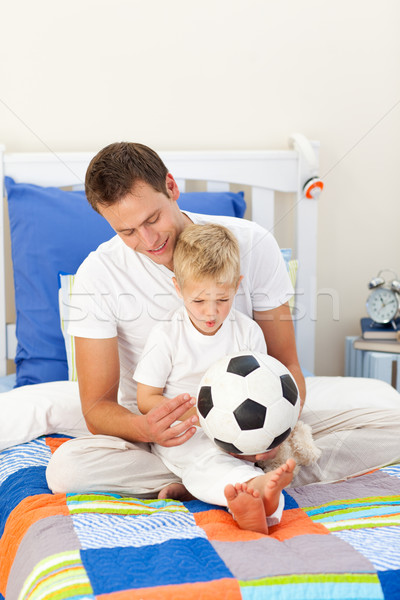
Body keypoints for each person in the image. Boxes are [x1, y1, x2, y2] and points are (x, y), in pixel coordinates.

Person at [45, 141, 400, 497]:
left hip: (253, 422)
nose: (148, 240)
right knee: (67, 471)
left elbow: (286, 363)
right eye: (128, 232)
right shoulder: (98, 275)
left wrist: (272, 430)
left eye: (152, 219)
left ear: (171, 187)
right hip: (165, 436)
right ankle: (239, 477)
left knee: (392, 427)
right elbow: (97, 409)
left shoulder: (252, 244)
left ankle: (217, 477)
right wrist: (148, 430)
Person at [134, 223, 296, 533]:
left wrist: (268, 437)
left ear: (237, 285)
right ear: (178, 289)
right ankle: (259, 493)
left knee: (238, 456)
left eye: (222, 300)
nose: (211, 313)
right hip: (185, 433)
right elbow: (146, 399)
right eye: (198, 301)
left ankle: (229, 489)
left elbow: (265, 390)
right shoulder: (166, 336)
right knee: (204, 461)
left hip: (237, 431)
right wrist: (199, 416)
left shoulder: (248, 331)